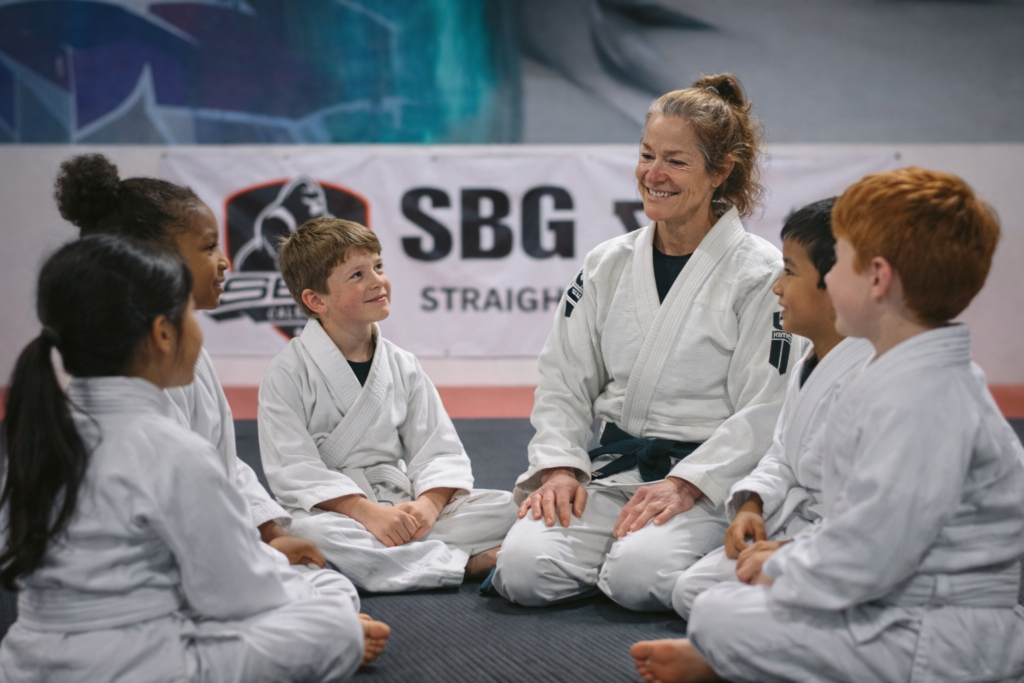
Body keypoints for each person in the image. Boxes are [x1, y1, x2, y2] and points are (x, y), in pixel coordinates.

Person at [631, 167, 1024, 683]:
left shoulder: (924, 397)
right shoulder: (900, 375)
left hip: (943, 631)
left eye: (838, 263)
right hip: (897, 598)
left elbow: (872, 553)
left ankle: (727, 661)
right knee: (717, 609)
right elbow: (867, 530)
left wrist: (782, 566)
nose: (827, 277)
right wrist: (789, 547)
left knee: (719, 618)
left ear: (878, 279)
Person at [0, 236, 383, 682]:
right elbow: (235, 594)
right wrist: (283, 568)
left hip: (28, 659)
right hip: (142, 665)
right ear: (163, 334)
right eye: (188, 315)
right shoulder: (171, 448)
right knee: (331, 609)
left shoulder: (42, 435)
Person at [491, 73, 801, 611]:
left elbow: (766, 409)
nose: (653, 175)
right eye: (646, 155)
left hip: (701, 481)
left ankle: (672, 554)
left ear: (719, 172)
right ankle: (610, 554)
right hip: (614, 471)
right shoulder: (607, 262)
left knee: (639, 581)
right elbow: (564, 377)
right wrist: (561, 465)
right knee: (520, 573)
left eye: (676, 162)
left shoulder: (759, 274)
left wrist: (688, 483)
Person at [53, 154, 320, 565]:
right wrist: (266, 564)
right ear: (151, 259)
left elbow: (223, 467)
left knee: (320, 563)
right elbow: (189, 503)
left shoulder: (181, 356)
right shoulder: (136, 371)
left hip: (201, 550)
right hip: (161, 571)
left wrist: (271, 533)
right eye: (209, 246)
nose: (225, 261)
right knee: (327, 594)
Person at [258, 217, 519, 592]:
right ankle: (467, 564)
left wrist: (427, 506)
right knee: (309, 533)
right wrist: (367, 513)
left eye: (378, 267)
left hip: (402, 506)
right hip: (340, 512)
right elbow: (294, 469)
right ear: (316, 300)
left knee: (507, 507)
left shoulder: (402, 365)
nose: (377, 281)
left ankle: (394, 558)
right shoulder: (287, 372)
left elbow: (437, 449)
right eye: (357, 275)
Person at [671, 198, 873, 619]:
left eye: (790, 272)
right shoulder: (809, 362)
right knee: (691, 589)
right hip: (802, 530)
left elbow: (874, 518)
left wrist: (791, 553)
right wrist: (752, 505)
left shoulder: (874, 378)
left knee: (709, 606)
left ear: (838, 287)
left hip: (848, 549)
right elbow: (781, 454)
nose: (777, 287)